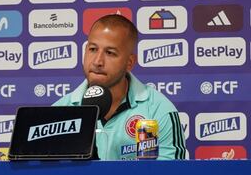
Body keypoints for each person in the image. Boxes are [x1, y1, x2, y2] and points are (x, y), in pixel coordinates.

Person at [53, 14, 186, 160]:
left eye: (110, 53)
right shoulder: (59, 111)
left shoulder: (157, 110)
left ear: (129, 62)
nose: (97, 61)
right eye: (92, 49)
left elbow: (173, 172)